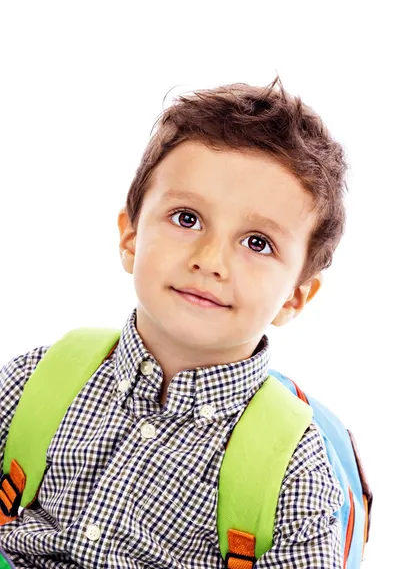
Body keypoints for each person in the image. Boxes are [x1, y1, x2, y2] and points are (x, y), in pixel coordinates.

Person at [0, 76, 348, 568]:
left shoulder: (292, 471)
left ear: (295, 296)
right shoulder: (35, 381)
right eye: (187, 218)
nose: (210, 260)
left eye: (256, 243)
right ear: (131, 239)